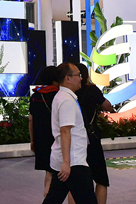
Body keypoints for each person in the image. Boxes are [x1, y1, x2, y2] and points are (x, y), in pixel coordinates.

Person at [41, 63, 97, 204]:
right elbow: (65, 131)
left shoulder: (63, 97)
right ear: (67, 78)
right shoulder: (66, 100)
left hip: (67, 160)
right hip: (73, 162)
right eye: (78, 75)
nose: (81, 78)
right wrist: (66, 163)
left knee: (54, 199)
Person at [74, 63, 114, 204]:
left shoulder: (68, 94)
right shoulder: (92, 90)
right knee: (101, 179)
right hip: (92, 138)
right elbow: (107, 106)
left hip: (74, 140)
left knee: (75, 183)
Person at [29, 66, 62, 198]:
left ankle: (47, 197)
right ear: (55, 80)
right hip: (55, 139)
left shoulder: (36, 96)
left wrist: (32, 140)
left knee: (48, 173)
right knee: (55, 174)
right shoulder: (58, 96)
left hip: (40, 139)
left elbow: (31, 120)